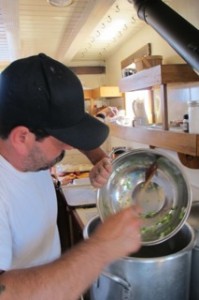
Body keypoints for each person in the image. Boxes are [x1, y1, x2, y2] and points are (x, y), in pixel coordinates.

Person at [0, 53, 142, 300]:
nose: (68, 147)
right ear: (22, 138)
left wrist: (98, 158)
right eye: (61, 142)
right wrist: (101, 248)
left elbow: (70, 139)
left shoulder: (27, 151)